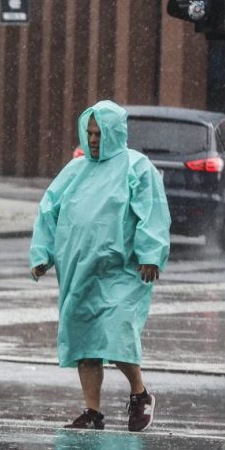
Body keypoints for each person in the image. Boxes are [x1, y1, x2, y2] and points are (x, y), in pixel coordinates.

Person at [29, 100, 170, 432]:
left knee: (116, 331)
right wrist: (42, 254)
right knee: (84, 340)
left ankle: (140, 395)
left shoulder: (137, 167)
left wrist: (150, 254)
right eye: (90, 132)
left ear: (115, 132)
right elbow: (49, 210)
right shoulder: (75, 171)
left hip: (122, 271)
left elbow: (152, 212)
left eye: (100, 132)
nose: (93, 139)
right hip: (80, 271)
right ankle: (92, 412)